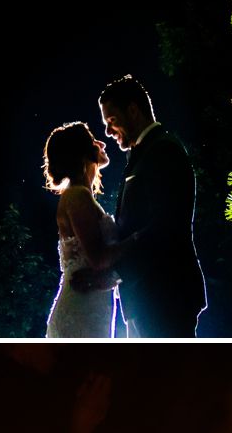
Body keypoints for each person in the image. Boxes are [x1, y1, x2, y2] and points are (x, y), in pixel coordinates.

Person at [79, 75, 206, 338]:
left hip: (165, 295)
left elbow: (164, 228)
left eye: (112, 121)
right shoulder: (144, 154)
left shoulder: (164, 151)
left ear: (133, 110)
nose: (108, 131)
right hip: (145, 296)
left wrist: (113, 269)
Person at [42, 120, 119, 339]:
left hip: (91, 308)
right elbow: (99, 258)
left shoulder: (82, 195)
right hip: (81, 313)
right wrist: (137, 240)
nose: (101, 144)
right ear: (83, 153)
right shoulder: (77, 196)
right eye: (93, 140)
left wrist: (114, 276)